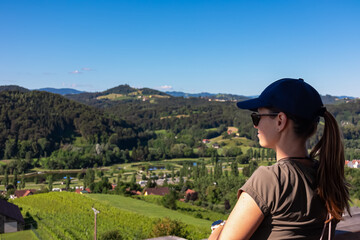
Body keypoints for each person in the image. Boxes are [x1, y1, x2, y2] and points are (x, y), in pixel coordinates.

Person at [208, 78, 351, 240]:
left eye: (257, 117)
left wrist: (219, 228)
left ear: (280, 121)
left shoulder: (269, 180)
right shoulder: (327, 176)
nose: (256, 125)